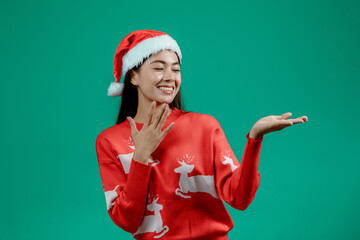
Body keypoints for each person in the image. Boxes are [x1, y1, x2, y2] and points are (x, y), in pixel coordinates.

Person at [95, 29, 308, 240]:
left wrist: (255, 138)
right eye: (159, 68)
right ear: (134, 77)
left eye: (176, 69)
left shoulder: (204, 126)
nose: (170, 77)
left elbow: (239, 198)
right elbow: (126, 220)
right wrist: (140, 157)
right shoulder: (110, 141)